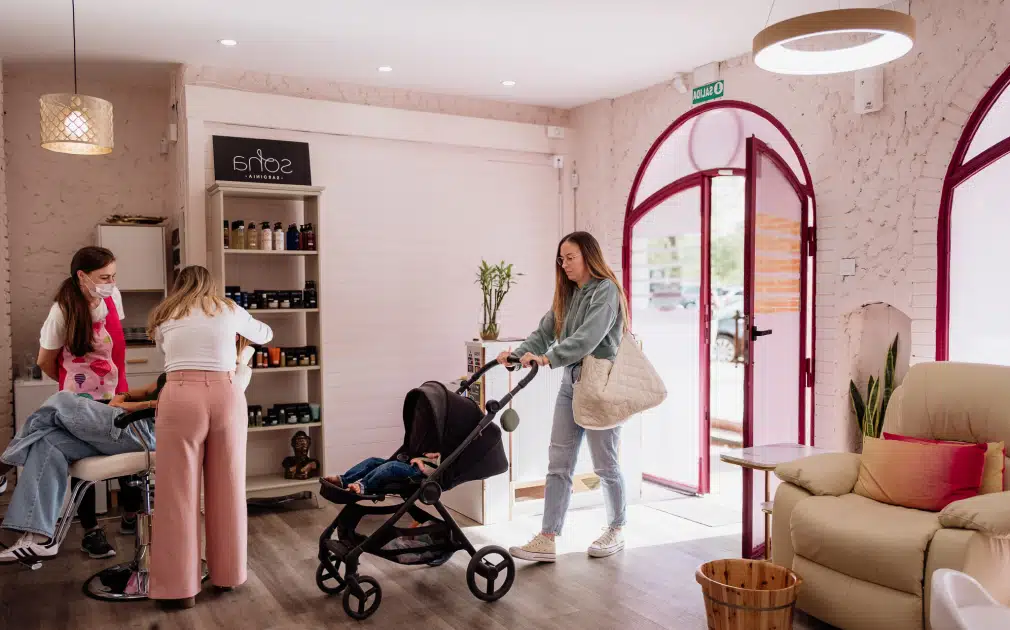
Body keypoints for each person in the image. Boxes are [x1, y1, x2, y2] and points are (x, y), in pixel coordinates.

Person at [499, 231, 628, 562]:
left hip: (600, 387)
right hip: (571, 384)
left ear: (589, 256)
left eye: (571, 257)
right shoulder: (568, 294)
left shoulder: (607, 291)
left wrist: (547, 359)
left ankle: (616, 528)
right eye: (561, 259)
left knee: (605, 464)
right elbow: (544, 333)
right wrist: (519, 355)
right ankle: (548, 536)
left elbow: (587, 338)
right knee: (559, 463)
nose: (565, 264)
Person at [147, 265, 272, 609]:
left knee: (177, 495)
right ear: (210, 286)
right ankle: (228, 577)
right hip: (227, 395)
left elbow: (167, 353)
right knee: (228, 488)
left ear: (179, 286)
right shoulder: (229, 309)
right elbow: (266, 334)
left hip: (180, 396)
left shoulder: (165, 314)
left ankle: (178, 589)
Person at [34, 246, 136, 559]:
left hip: (117, 391)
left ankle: (132, 516)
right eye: (104, 277)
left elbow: (115, 346)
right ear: (82, 276)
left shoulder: (112, 298)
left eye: (113, 276)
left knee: (127, 452)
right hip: (80, 401)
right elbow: (45, 361)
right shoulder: (61, 311)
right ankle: (91, 531)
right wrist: (75, 391)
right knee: (87, 466)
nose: (111, 283)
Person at [0, 378, 161, 563]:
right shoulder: (174, 368)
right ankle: (38, 538)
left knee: (62, 401)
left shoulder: (193, 371)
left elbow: (174, 405)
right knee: (50, 441)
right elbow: (147, 389)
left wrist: (133, 405)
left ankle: (5, 463)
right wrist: (123, 396)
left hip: (145, 430)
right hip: (132, 423)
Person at [324, 452, 441, 494]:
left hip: (417, 473)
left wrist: (422, 465)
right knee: (372, 461)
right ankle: (344, 480)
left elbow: (437, 473)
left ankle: (363, 486)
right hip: (410, 464)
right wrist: (423, 455)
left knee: (390, 466)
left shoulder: (447, 457)